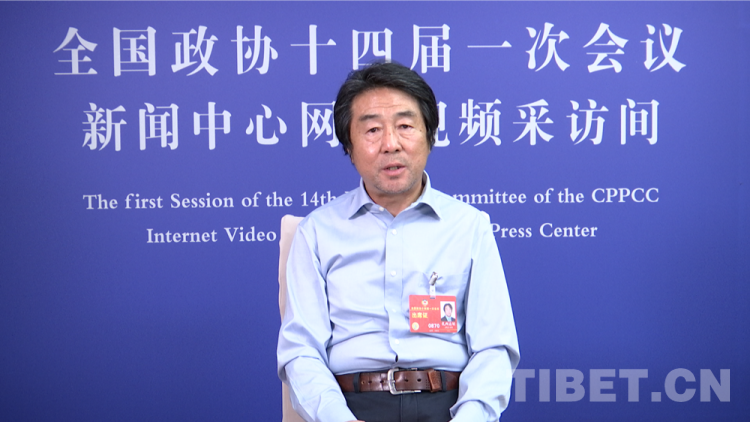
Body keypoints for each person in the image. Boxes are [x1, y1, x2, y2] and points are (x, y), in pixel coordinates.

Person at [277, 62, 519, 422]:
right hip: (351, 407)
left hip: (448, 406)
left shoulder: (469, 226)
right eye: (372, 130)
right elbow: (301, 351)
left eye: (405, 126)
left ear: (429, 136)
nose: (391, 144)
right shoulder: (317, 232)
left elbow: (493, 347)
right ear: (349, 146)